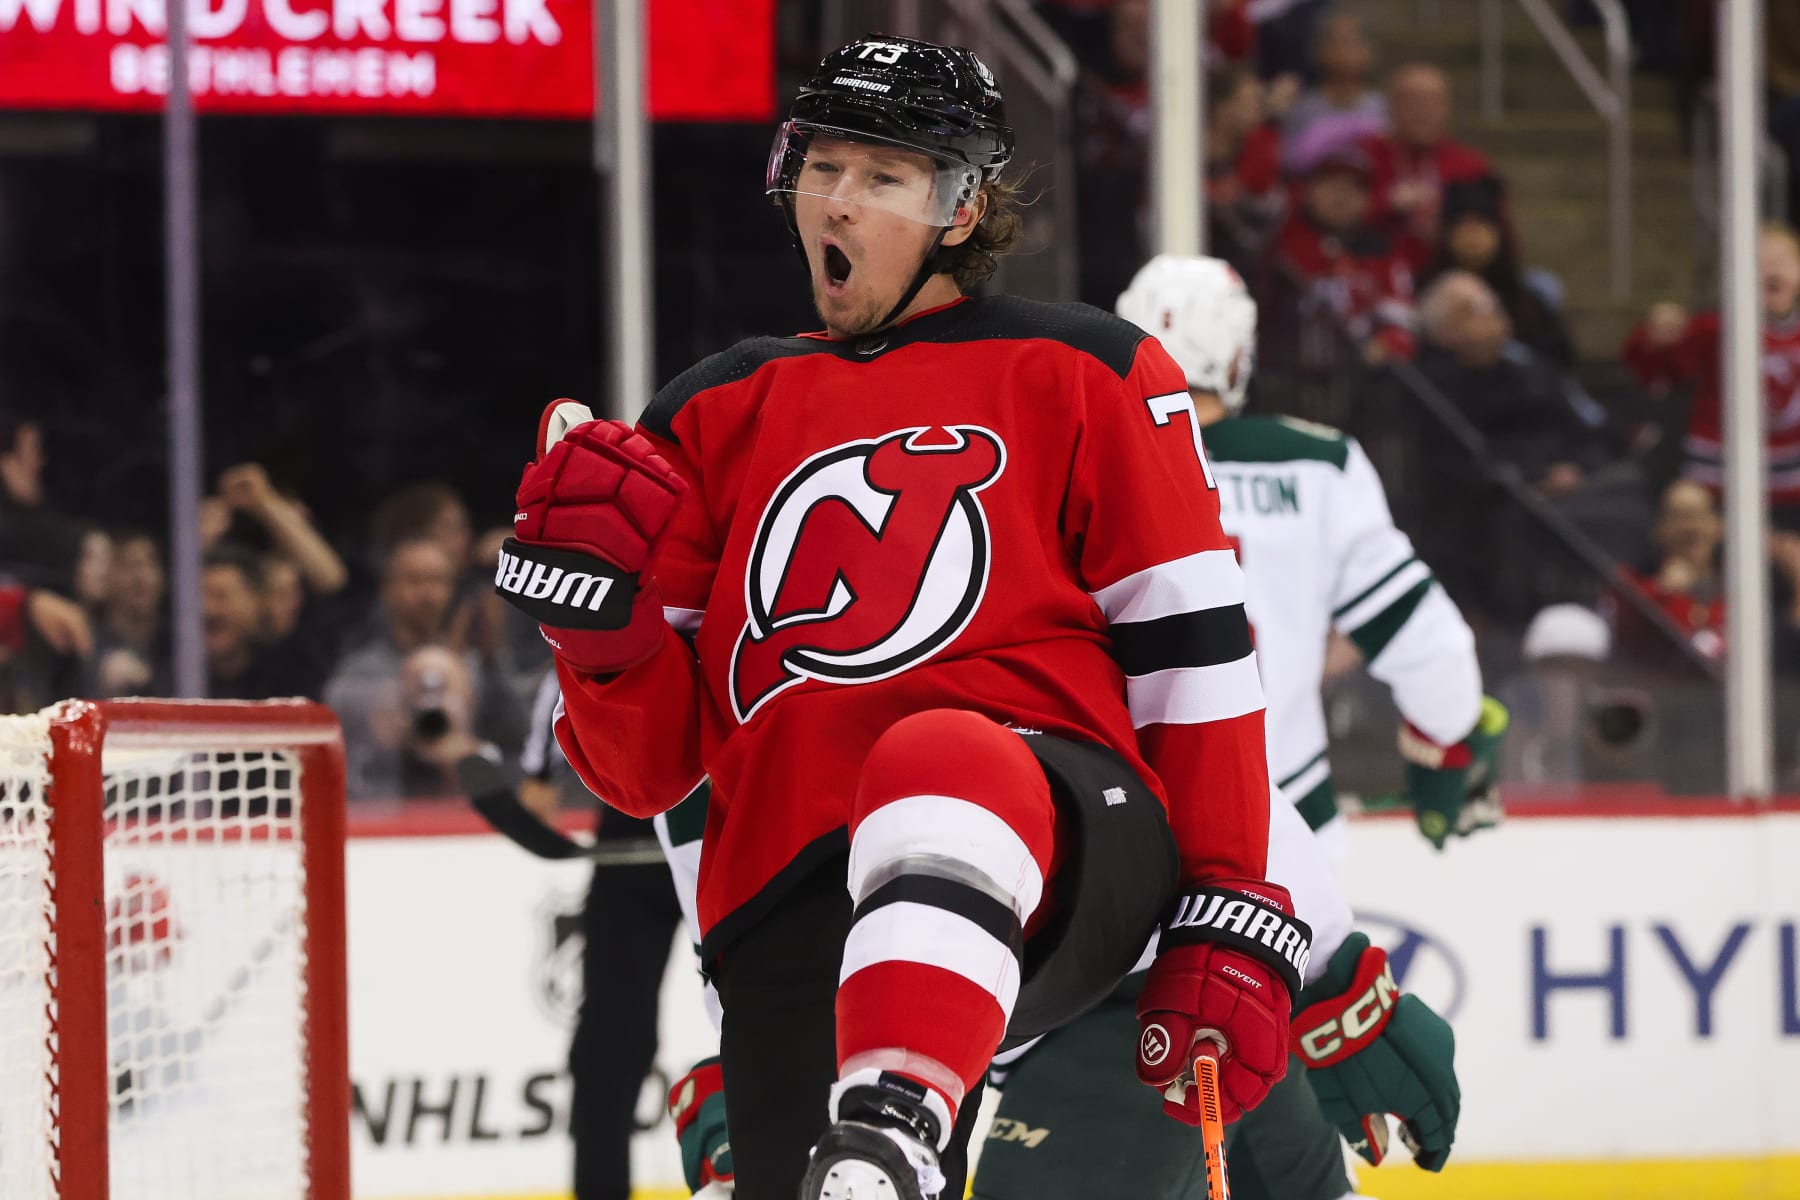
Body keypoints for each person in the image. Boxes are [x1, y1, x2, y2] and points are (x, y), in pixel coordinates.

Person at [497, 36, 1308, 1200]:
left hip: (1063, 834)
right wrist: (598, 632)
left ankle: (892, 1119)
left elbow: (1193, 656)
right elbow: (647, 776)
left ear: (962, 208)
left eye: (883, 178)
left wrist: (1231, 903)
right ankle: (878, 1158)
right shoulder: (708, 413)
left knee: (935, 755)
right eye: (822, 167)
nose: (837, 200)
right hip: (796, 878)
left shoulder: (1086, 367)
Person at [1622, 223, 1800, 525]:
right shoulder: (1712, 329)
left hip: (1791, 485)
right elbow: (1650, 369)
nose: (1771, 268)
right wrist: (1651, 336)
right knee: (1684, 507)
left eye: (1781, 260)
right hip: (1718, 481)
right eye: (1759, 262)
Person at [1360, 64, 1495, 269]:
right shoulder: (1360, 158)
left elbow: (1499, 237)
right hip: (1375, 270)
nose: (1422, 112)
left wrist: (1453, 229)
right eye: (1411, 102)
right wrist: (1387, 203)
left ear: (1447, 108)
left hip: (1448, 272)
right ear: (1390, 108)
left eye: (1432, 102)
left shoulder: (1471, 166)